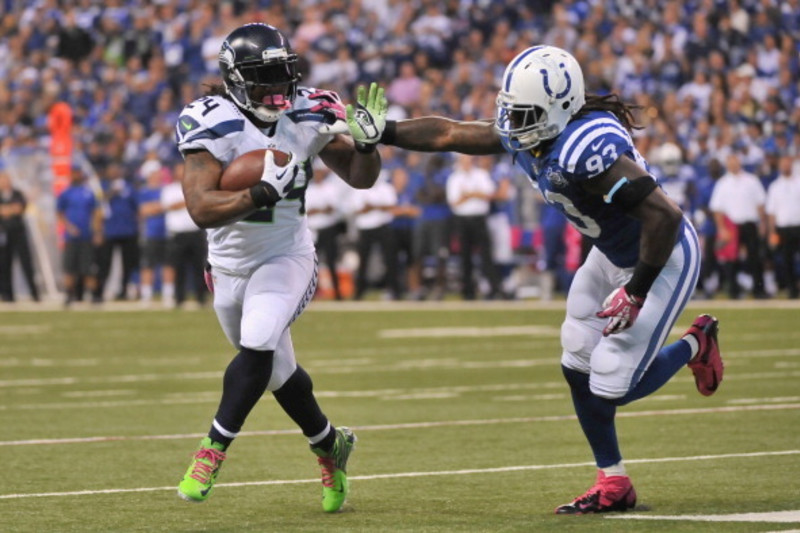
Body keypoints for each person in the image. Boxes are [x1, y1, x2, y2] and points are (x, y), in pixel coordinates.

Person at [371, 45, 724, 514]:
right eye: (511, 113)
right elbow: (449, 132)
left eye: (525, 114)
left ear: (558, 107)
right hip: (610, 253)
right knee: (576, 359)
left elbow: (665, 215)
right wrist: (386, 131)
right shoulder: (535, 130)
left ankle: (696, 344)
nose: (512, 125)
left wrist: (636, 290)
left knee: (615, 384)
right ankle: (613, 481)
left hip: (658, 258)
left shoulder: (585, 147)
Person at [174, 23, 386, 512]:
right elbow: (201, 209)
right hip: (227, 264)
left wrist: (369, 146)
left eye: (281, 75)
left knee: (259, 340)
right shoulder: (211, 120)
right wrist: (257, 193)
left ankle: (212, 451)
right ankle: (330, 443)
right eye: (263, 77)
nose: (276, 89)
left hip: (286, 254)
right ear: (234, 78)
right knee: (276, 370)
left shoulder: (311, 110)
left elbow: (360, 178)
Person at [709, 153, 769, 299]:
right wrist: (721, 228)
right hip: (731, 226)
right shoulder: (722, 183)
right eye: (731, 162)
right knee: (731, 259)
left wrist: (762, 223)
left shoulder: (751, 180)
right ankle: (733, 290)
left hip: (749, 223)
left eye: (735, 162)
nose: (733, 165)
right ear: (727, 165)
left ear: (740, 163)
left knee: (754, 257)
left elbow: (761, 204)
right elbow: (717, 209)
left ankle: (758, 290)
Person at [446, 153, 501, 300]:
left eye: (469, 159)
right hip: (462, 220)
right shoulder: (454, 178)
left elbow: (490, 194)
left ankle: (494, 289)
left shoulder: (481, 174)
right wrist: (476, 194)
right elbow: (454, 202)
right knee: (465, 257)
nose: (466, 163)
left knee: (486, 255)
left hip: (479, 219)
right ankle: (468, 291)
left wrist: (468, 194)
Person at [161, 162, 207, 309]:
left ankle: (201, 297)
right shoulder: (169, 189)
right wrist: (190, 201)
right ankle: (179, 298)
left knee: (198, 267)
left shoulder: (196, 187)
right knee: (178, 267)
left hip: (195, 232)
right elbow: (169, 206)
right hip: (178, 234)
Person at [56, 164, 103, 306]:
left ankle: (94, 295)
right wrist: (68, 227)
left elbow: (96, 213)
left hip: (86, 235)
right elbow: (59, 213)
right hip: (71, 237)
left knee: (88, 268)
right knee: (69, 268)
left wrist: (97, 232)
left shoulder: (88, 192)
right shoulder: (65, 193)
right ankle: (69, 295)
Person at [0, 168, 40, 302]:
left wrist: (7, 210)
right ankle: (7, 295)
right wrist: (9, 209)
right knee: (4, 265)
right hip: (4, 234)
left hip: (19, 233)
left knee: (26, 263)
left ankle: (34, 294)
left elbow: (19, 209)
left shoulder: (17, 193)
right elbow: (11, 209)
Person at [766, 155, 800, 298]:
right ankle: (792, 290)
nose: (785, 167)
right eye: (783, 164)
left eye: (787, 164)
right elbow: (771, 212)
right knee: (787, 260)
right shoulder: (775, 186)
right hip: (784, 228)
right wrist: (772, 231)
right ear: (780, 167)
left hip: (798, 225)